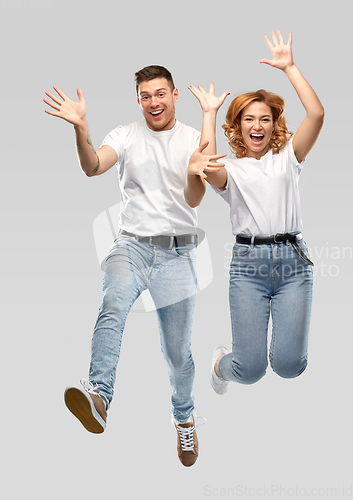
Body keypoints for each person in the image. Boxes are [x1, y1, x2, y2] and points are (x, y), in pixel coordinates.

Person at [44, 65, 227, 467]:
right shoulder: (124, 136)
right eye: (146, 96)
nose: (153, 102)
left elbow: (205, 176)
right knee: (112, 308)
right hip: (132, 246)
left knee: (178, 355)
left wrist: (210, 115)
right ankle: (99, 396)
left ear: (175, 95)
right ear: (139, 100)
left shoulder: (193, 138)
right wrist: (80, 126)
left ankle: (184, 417)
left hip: (179, 254)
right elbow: (93, 166)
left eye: (160, 94)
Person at [186, 30, 324, 395]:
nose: (257, 126)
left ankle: (279, 358)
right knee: (249, 371)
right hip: (249, 266)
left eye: (265, 119)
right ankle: (220, 364)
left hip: (294, 262)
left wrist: (290, 67)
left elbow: (317, 113)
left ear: (274, 125)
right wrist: (209, 113)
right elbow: (206, 163)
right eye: (249, 119)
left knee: (290, 367)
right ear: (237, 128)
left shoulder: (288, 158)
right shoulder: (232, 172)